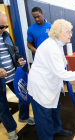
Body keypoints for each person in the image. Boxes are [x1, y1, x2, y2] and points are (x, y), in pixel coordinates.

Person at [27, 19, 75, 140]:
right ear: (59, 33)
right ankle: (47, 137)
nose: (71, 34)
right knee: (44, 118)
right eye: (68, 32)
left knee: (55, 109)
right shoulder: (51, 47)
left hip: (50, 84)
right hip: (41, 87)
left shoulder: (57, 44)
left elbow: (60, 66)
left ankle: (56, 129)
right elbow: (61, 72)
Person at [0, 12, 35, 140]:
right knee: (2, 107)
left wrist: (19, 58)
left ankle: (24, 117)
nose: (3, 30)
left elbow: (14, 52)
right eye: (0, 27)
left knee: (24, 94)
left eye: (5, 26)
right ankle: (11, 129)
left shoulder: (6, 35)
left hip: (13, 75)